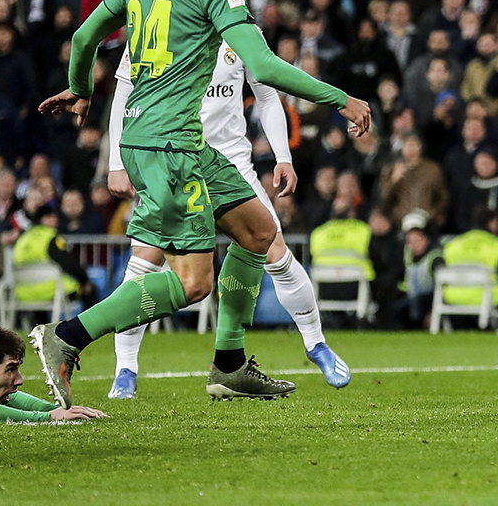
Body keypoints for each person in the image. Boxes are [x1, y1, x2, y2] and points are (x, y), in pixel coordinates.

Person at [34, 0, 371, 409]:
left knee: (260, 232)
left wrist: (80, 89)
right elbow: (262, 64)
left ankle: (230, 365)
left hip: (172, 141)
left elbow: (83, 37)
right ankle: (66, 338)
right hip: (170, 149)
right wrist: (342, 99)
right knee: (193, 283)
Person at [104, 31, 350, 399]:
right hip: (177, 161)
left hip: (232, 164)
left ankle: (316, 344)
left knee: (276, 251)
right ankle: (125, 370)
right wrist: (115, 163)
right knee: (145, 261)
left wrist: (283, 156)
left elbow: (267, 96)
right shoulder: (160, 19)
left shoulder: (241, 30)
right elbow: (124, 94)